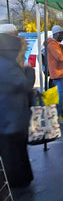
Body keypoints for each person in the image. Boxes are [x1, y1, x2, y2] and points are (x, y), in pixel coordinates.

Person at [0, 32, 34, 187]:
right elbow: (25, 84)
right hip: (11, 117)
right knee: (14, 153)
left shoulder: (5, 62)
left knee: (14, 151)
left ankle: (21, 178)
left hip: (8, 116)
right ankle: (18, 182)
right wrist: (29, 71)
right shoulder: (7, 65)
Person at [47, 25, 63, 124]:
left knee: (61, 95)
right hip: (57, 73)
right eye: (62, 35)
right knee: (59, 97)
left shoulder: (57, 44)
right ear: (56, 34)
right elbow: (60, 57)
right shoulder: (52, 45)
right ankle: (58, 118)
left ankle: (61, 113)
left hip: (61, 73)